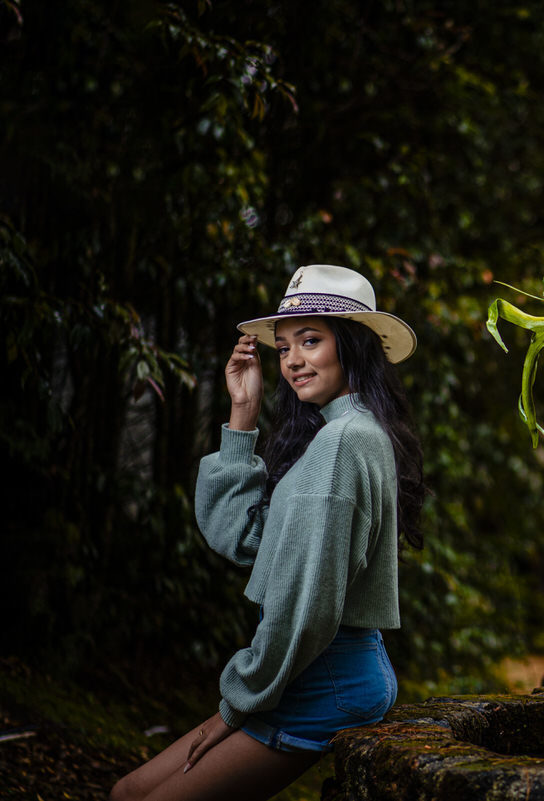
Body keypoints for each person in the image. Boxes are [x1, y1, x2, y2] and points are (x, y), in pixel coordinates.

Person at [112, 264, 425, 801]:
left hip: (323, 678)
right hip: (312, 671)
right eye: (283, 348)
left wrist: (235, 707)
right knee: (127, 792)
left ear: (353, 344)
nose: (294, 360)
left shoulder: (343, 443)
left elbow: (307, 606)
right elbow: (248, 539)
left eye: (310, 340)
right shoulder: (345, 433)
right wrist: (242, 412)